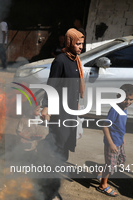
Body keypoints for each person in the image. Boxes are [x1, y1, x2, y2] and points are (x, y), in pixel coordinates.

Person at [41, 28, 85, 162]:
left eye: (82, 44)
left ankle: (58, 164)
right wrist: (46, 106)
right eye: (78, 44)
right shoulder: (60, 61)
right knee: (58, 137)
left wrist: (76, 102)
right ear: (70, 42)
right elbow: (51, 84)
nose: (80, 47)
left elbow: (75, 85)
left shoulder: (75, 60)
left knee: (67, 138)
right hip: (59, 108)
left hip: (70, 107)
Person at [96, 84, 133, 197]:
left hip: (119, 141)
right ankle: (102, 185)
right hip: (112, 143)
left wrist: (122, 137)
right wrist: (111, 143)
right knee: (110, 165)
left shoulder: (124, 108)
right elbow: (105, 125)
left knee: (120, 160)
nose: (128, 101)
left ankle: (99, 171)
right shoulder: (115, 109)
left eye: (131, 99)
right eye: (125, 98)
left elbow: (120, 125)